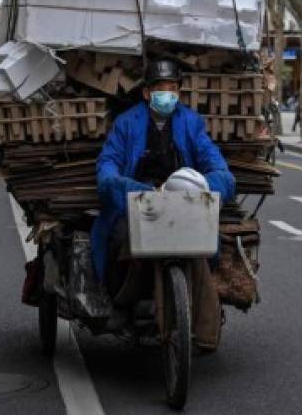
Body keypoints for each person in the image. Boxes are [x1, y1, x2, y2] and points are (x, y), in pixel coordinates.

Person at [93, 59, 235, 346]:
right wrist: (133, 189)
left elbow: (217, 165)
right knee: (119, 238)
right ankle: (122, 302)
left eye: (172, 89)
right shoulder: (126, 124)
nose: (167, 94)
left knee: (208, 247)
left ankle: (204, 318)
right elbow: (107, 168)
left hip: (184, 203)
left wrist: (210, 185)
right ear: (147, 93)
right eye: (160, 88)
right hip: (140, 203)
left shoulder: (191, 123)